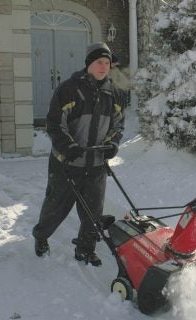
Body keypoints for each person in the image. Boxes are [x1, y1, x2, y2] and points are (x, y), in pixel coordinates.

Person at [32, 42, 125, 266]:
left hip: (95, 163)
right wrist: (68, 146)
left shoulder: (115, 94)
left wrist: (112, 144)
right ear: (88, 64)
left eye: (107, 63)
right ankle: (41, 237)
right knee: (56, 207)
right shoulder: (68, 89)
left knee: (93, 211)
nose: (104, 67)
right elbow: (54, 123)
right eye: (99, 62)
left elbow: (118, 126)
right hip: (66, 163)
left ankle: (85, 248)